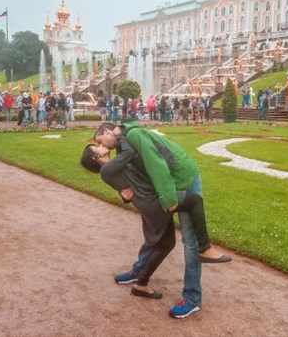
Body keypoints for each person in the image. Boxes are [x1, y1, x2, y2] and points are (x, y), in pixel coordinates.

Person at [93, 121, 231, 319]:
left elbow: (156, 164)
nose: (104, 146)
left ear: (106, 131)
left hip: (183, 180)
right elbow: (133, 175)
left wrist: (168, 199)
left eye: (101, 141)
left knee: (190, 242)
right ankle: (138, 272)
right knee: (153, 231)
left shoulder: (134, 136)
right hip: (167, 184)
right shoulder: (123, 143)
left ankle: (192, 298)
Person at [81, 140, 176, 299]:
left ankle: (137, 272)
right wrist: (120, 134)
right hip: (151, 204)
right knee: (165, 243)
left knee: (153, 240)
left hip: (146, 204)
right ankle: (141, 283)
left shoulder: (111, 167)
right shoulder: (108, 168)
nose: (101, 145)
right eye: (97, 147)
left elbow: (127, 189)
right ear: (94, 158)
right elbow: (130, 153)